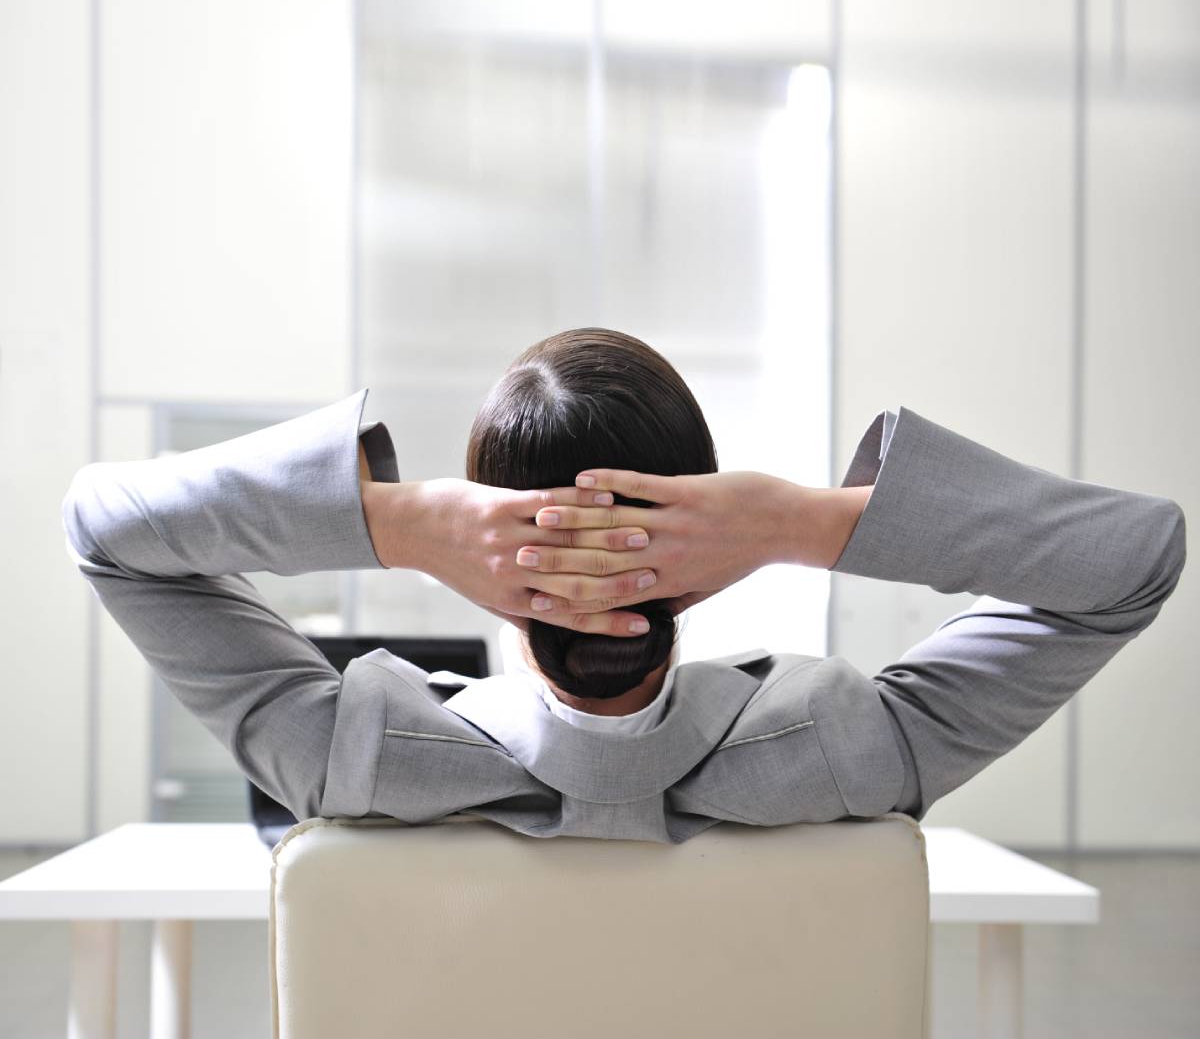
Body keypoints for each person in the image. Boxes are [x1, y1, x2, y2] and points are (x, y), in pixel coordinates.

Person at [60, 328, 1187, 843]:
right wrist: (802, 521)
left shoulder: (350, 762)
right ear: (698, 565)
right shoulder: (855, 752)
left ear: (492, 575)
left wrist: (402, 523)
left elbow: (106, 531)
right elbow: (1133, 560)